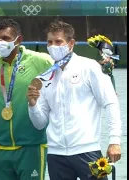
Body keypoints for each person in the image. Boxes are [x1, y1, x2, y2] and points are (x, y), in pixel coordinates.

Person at [27, 20, 122, 180]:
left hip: (88, 151)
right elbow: (39, 124)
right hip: (56, 155)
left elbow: (111, 102)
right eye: (50, 42)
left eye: (58, 41)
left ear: (71, 43)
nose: (53, 46)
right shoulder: (43, 78)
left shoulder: (90, 67)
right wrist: (32, 105)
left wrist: (114, 141)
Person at [0, 19, 54, 180]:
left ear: (19, 39)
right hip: (0, 148)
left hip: (31, 146)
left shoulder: (40, 61)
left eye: (6, 38)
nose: (0, 42)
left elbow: (66, 72)